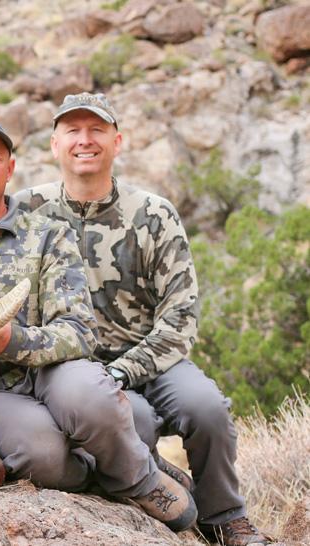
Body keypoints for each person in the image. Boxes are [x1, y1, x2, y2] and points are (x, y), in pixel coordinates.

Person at [0, 117, 197, 532]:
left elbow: (80, 330)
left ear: (10, 169)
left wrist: (14, 340)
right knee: (43, 453)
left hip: (48, 371)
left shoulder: (47, 233)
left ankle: (139, 480)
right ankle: (102, 473)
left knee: (97, 399)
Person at [14, 93, 271, 546]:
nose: (85, 141)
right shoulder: (26, 211)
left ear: (117, 142)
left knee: (206, 409)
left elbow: (181, 316)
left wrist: (125, 370)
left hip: (152, 359)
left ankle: (225, 518)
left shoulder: (154, 213)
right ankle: (155, 483)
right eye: (73, 131)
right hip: (73, 365)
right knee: (135, 417)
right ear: (55, 145)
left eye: (96, 131)